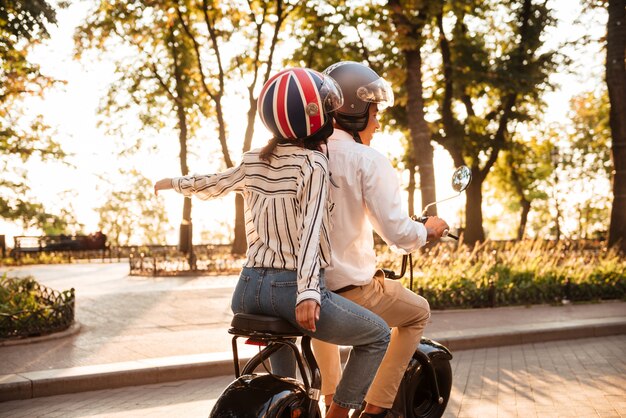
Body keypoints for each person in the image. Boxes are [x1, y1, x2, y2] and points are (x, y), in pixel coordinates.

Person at [154, 67, 390, 418]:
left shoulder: (254, 159)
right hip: (290, 291)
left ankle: (285, 402)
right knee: (378, 335)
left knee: (285, 362)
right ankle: (339, 416)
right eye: (326, 108)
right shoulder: (313, 164)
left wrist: (175, 183)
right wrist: (309, 293)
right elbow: (311, 233)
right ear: (313, 117)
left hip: (247, 290)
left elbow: (215, 183)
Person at [311, 61, 450, 418]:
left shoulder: (306, 154)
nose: (378, 121)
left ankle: (331, 398)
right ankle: (375, 408)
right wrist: (429, 230)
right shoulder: (366, 159)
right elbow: (398, 235)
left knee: (320, 307)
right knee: (418, 312)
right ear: (355, 111)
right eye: (374, 111)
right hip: (352, 291)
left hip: (303, 289)